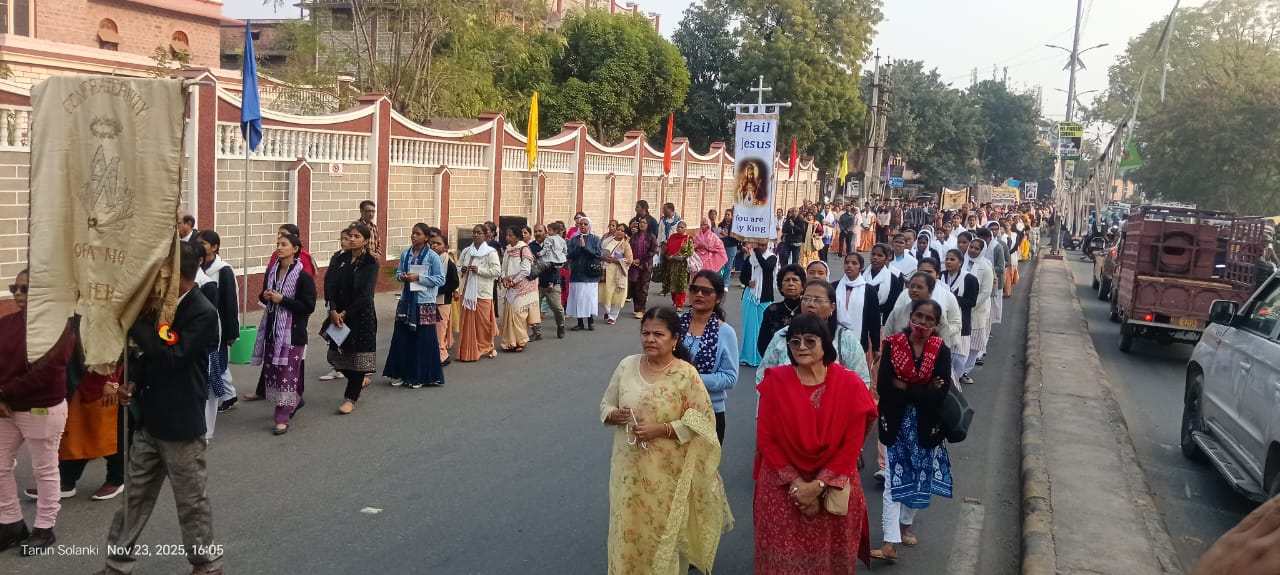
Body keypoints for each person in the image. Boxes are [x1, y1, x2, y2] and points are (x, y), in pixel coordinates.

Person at [98, 244, 223, 574]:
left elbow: (171, 358)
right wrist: (133, 382)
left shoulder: (202, 311)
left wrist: (137, 323)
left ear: (176, 275)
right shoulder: (160, 307)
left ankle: (207, 564)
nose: (154, 280)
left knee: (191, 502)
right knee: (133, 498)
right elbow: (147, 358)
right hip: (150, 424)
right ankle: (116, 565)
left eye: (160, 273)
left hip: (181, 426)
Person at [600, 306, 734, 574]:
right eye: (646, 333)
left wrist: (663, 429)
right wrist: (614, 415)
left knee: (661, 531)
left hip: (668, 474)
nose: (650, 339)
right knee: (627, 526)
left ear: (675, 339)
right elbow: (606, 404)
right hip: (628, 471)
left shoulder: (686, 374)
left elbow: (703, 420)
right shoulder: (627, 366)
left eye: (658, 334)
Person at [754, 313, 878, 574]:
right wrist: (797, 484)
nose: (801, 347)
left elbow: (852, 443)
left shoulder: (849, 384)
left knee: (830, 559)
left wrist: (819, 485)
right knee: (782, 558)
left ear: (825, 344)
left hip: (834, 484)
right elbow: (766, 438)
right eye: (794, 341)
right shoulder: (775, 382)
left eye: (810, 341)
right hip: (782, 486)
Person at [872, 299, 955, 563]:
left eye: (929, 319)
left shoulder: (941, 351)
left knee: (919, 478)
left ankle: (905, 525)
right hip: (895, 423)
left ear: (936, 323)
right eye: (918, 315)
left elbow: (939, 395)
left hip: (926, 426)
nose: (922, 322)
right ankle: (889, 542)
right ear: (911, 316)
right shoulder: (893, 344)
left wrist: (905, 386)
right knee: (893, 481)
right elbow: (884, 386)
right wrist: (924, 387)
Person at [0, 270, 74, 554]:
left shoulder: (59, 327)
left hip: (41, 406)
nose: (18, 294)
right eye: (14, 288)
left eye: (25, 289)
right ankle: (11, 523)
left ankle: (45, 527)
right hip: (7, 408)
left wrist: (3, 392)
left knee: (44, 469)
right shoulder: (7, 323)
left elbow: (48, 372)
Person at [23, 316, 124, 505]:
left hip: (104, 376)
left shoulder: (104, 306)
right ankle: (66, 481)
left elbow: (119, 343)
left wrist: (112, 380)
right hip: (77, 376)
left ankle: (117, 479)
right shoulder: (70, 310)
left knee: (106, 431)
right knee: (75, 432)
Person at [253, 233, 317, 434]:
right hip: (272, 331)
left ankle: (282, 418)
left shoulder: (303, 276)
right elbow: (264, 297)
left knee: (287, 377)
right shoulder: (272, 272)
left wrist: (283, 300)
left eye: (284, 244)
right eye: (278, 244)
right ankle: (295, 400)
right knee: (275, 374)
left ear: (295, 249)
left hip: (292, 334)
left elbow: (308, 306)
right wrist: (265, 296)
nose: (279, 248)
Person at [756, 280, 872, 387]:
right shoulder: (783, 335)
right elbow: (763, 377)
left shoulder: (846, 339)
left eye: (818, 300)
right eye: (806, 299)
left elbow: (862, 381)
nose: (810, 304)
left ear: (832, 307)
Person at [324, 224, 380, 414]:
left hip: (360, 315)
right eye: (351, 236)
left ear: (365, 241)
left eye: (357, 237)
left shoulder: (370, 262)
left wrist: (346, 313)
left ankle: (351, 399)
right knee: (334, 355)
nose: (353, 239)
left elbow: (366, 295)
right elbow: (330, 285)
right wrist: (333, 309)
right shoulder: (340, 258)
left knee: (359, 359)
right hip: (337, 313)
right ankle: (359, 380)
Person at [384, 224, 447, 388]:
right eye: (412, 233)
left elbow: (440, 279)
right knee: (401, 338)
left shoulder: (432, 257)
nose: (413, 236)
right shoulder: (406, 254)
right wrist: (403, 277)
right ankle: (399, 373)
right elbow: (399, 273)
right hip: (407, 301)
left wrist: (419, 277)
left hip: (424, 302)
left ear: (426, 237)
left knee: (422, 340)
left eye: (417, 234)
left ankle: (420, 376)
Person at [681, 271, 739, 443]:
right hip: (672, 407)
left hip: (709, 410)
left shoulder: (725, 332)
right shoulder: (674, 324)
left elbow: (730, 377)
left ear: (718, 298)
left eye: (706, 291)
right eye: (694, 289)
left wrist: (692, 378)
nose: (699, 294)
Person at [192, 231, 240, 414]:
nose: (199, 246)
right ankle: (228, 396)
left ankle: (227, 396)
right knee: (215, 364)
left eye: (203, 243)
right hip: (203, 326)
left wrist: (231, 333)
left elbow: (230, 303)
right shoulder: (197, 267)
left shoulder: (223, 270)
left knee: (218, 363)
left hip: (218, 327)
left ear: (214, 247)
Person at [887, 263, 963, 353]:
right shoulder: (897, 313)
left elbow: (944, 345)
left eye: (919, 287)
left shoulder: (938, 314)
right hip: (899, 356)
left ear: (930, 291)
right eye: (912, 286)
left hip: (931, 357)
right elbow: (887, 340)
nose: (914, 290)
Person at [458, 224, 502, 361]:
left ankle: (487, 347)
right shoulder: (467, 251)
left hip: (482, 293)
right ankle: (468, 351)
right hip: (467, 292)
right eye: (474, 232)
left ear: (485, 235)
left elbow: (497, 271)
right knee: (467, 324)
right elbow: (458, 266)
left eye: (478, 232)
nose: (475, 235)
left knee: (484, 324)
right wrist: (462, 269)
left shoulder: (490, 252)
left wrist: (479, 270)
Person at [940, 249, 979, 383]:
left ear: (960, 262)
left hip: (961, 321)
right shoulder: (940, 276)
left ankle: (956, 379)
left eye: (952, 259)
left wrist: (952, 299)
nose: (948, 262)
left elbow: (972, 301)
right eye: (947, 259)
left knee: (959, 355)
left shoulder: (969, 279)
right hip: (942, 320)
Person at [835, 252, 884, 361]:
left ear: (860, 267)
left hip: (859, 340)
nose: (849, 266)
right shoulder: (834, 287)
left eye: (854, 263)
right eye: (847, 263)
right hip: (835, 341)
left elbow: (874, 320)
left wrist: (876, 347)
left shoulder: (869, 290)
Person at [318, 228, 351, 384]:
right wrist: (330, 303)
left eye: (347, 238)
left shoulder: (357, 260)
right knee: (334, 335)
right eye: (341, 239)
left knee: (347, 336)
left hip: (348, 305)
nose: (343, 241)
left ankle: (349, 368)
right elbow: (329, 280)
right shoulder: (337, 257)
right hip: (334, 304)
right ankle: (337, 367)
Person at [962, 238, 995, 380]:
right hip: (960, 308)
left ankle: (965, 371)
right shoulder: (961, 261)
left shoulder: (985, 267)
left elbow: (985, 292)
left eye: (976, 249)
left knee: (974, 345)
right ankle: (956, 371)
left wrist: (971, 304)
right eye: (971, 247)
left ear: (982, 251)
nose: (972, 250)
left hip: (976, 310)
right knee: (960, 343)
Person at [740, 241, 777, 367]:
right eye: (759, 245)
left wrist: (756, 252)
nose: (761, 248)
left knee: (764, 329)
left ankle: (763, 358)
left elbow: (766, 267)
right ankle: (747, 357)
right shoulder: (750, 259)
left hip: (765, 298)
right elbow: (742, 277)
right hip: (750, 297)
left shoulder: (772, 258)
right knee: (749, 328)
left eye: (763, 245)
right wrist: (748, 282)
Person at [758, 264, 806, 357]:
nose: (791, 283)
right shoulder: (771, 311)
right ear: (781, 287)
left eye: (795, 280)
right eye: (787, 280)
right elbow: (762, 344)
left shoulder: (807, 310)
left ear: (802, 287)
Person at [427, 229, 460, 364]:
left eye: (438, 243)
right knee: (430, 330)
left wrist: (438, 290)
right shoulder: (429, 259)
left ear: (445, 247)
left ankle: (443, 357)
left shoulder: (448, 262)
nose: (434, 245)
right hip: (429, 301)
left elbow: (454, 282)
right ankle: (432, 355)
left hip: (442, 301)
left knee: (440, 331)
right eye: (432, 243)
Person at [567, 217, 604, 331]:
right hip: (577, 273)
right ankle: (580, 322)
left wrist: (585, 247)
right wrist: (579, 247)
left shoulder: (595, 239)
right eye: (581, 224)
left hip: (590, 274)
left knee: (589, 299)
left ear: (589, 226)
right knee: (578, 299)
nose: (582, 226)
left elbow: (597, 254)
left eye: (585, 224)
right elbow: (569, 254)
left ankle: (590, 321)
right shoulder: (574, 239)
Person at [532, 223, 567, 338]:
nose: (537, 233)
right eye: (535, 231)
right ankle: (536, 332)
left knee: (557, 307)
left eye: (540, 231)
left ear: (546, 232)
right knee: (534, 308)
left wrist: (552, 281)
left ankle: (561, 325)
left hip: (552, 281)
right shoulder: (531, 246)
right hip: (536, 283)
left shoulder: (554, 243)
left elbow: (558, 262)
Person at [864, 243, 906, 326]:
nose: (875, 257)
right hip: (861, 316)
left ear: (887, 258)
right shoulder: (861, 275)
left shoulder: (893, 279)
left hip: (883, 319)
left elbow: (893, 303)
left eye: (880, 255)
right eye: (873, 254)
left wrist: (873, 310)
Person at [600, 224, 633, 325]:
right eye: (618, 229)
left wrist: (616, 260)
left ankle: (612, 316)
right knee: (605, 292)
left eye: (622, 231)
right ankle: (608, 311)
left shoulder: (625, 245)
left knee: (617, 294)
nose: (619, 232)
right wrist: (603, 257)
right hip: (605, 271)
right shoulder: (607, 241)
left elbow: (629, 260)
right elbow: (599, 252)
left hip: (618, 273)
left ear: (625, 233)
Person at [628, 219, 657, 320]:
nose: (642, 224)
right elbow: (629, 249)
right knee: (635, 286)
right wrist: (632, 260)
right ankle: (636, 308)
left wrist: (641, 260)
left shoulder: (651, 236)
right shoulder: (634, 236)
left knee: (643, 287)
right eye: (641, 223)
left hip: (645, 265)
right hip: (634, 265)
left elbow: (653, 251)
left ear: (648, 225)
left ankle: (642, 310)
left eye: (644, 223)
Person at [662, 220, 694, 309]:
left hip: (682, 266)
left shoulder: (688, 239)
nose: (679, 229)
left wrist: (678, 257)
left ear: (685, 229)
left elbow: (690, 252)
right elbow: (667, 249)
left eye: (682, 227)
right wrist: (668, 256)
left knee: (681, 285)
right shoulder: (672, 237)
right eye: (678, 227)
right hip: (671, 265)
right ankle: (674, 301)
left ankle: (679, 304)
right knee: (672, 283)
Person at [695, 217, 728, 288]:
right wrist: (698, 246)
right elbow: (693, 247)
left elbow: (720, 249)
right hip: (698, 260)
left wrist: (708, 248)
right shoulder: (697, 236)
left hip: (709, 261)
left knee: (708, 279)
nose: (702, 226)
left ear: (709, 225)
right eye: (701, 224)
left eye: (704, 224)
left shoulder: (714, 237)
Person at [719, 209, 740, 283]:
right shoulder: (721, 224)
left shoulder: (735, 226)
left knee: (728, 266)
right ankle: (719, 281)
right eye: (725, 214)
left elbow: (736, 237)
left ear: (732, 216)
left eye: (728, 215)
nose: (726, 216)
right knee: (721, 265)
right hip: (722, 246)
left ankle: (726, 283)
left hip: (731, 247)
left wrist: (726, 235)